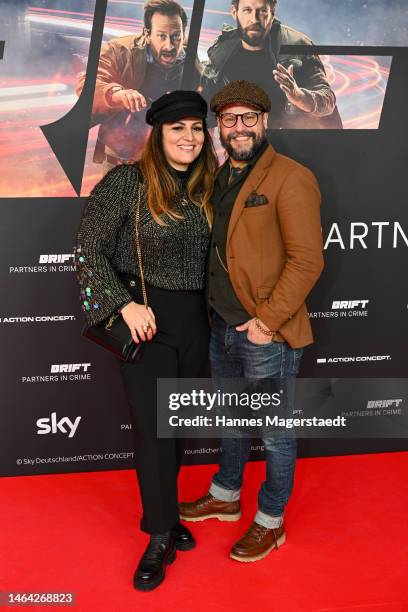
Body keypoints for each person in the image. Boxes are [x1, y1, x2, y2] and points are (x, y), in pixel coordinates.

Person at [74, 90, 218, 590]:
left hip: (198, 321)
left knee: (176, 428)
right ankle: (158, 533)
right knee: (154, 432)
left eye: (197, 128)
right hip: (146, 319)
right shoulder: (126, 182)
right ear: (158, 134)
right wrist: (123, 305)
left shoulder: (210, 186)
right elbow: (87, 249)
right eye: (178, 128)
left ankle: (164, 514)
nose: (189, 137)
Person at [179, 80, 325, 562]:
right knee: (232, 421)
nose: (238, 128)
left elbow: (307, 261)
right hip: (222, 326)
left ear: (264, 121)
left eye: (248, 118)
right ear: (218, 127)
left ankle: (270, 521)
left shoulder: (290, 176)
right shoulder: (218, 177)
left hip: (267, 333)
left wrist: (266, 321)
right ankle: (225, 496)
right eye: (228, 119)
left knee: (275, 432)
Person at [76, 0, 201, 172]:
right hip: (122, 159)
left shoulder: (190, 60)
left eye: (176, 36)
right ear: (147, 34)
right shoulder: (120, 51)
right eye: (162, 36)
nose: (170, 45)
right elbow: (87, 85)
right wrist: (117, 94)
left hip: (167, 161)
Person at [200, 0, 342, 129]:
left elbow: (328, 101)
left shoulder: (297, 45)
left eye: (262, 11)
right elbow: (208, 118)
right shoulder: (222, 55)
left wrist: (298, 96)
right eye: (247, 10)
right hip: (249, 149)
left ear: (272, 11)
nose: (254, 19)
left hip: (295, 147)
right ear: (234, 12)